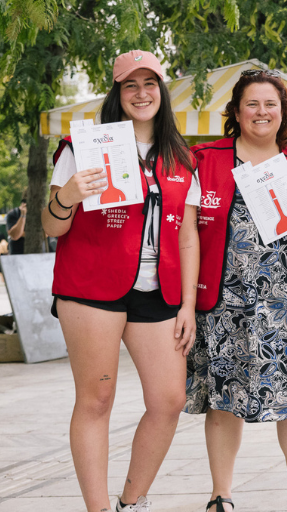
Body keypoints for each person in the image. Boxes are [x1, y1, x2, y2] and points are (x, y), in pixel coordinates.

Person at [42, 50, 199, 512]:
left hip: (159, 290)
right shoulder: (81, 147)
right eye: (130, 85)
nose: (141, 93)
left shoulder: (181, 157)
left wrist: (188, 304)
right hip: (91, 286)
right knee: (97, 399)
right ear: (117, 93)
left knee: (170, 400)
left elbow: (187, 236)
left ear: (162, 92)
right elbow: (54, 228)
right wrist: (67, 197)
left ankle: (132, 500)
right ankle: (97, 509)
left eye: (150, 84)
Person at [185, 69, 287, 512]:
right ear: (236, 111)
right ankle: (221, 494)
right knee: (224, 398)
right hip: (223, 303)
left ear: (283, 111)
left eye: (270, 104)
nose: (261, 112)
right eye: (252, 104)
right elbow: (188, 236)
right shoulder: (207, 159)